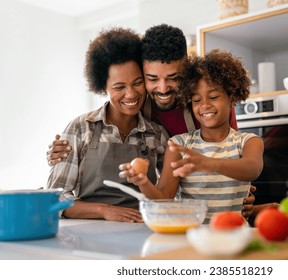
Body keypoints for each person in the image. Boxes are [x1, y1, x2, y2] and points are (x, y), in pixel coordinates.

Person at [47, 24, 256, 218]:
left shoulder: (181, 122)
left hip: (150, 223)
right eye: (152, 79)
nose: (162, 88)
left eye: (173, 77)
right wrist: (105, 210)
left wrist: (242, 196)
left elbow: (232, 160)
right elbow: (53, 199)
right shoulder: (85, 127)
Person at [119, 49, 264, 223]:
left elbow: (252, 169)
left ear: (231, 98)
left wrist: (207, 163)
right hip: (192, 236)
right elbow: (164, 198)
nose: (205, 105)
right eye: (196, 100)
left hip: (234, 236)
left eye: (213, 96)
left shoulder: (248, 141)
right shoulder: (179, 144)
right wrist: (142, 182)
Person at [47, 27, 168, 223]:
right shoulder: (81, 128)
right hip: (88, 234)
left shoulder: (157, 135)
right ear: (103, 87)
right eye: (119, 87)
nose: (131, 94)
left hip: (140, 230)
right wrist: (104, 210)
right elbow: (55, 199)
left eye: (137, 83)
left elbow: (167, 197)